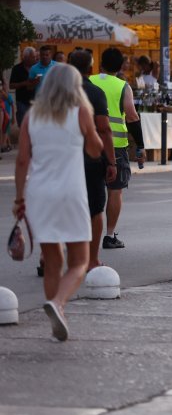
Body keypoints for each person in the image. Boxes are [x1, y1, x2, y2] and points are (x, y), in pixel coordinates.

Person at [13, 64, 104, 341]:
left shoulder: (32, 116)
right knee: (80, 260)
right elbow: (95, 148)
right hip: (71, 193)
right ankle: (59, 304)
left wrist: (19, 198)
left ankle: (57, 319)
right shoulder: (80, 112)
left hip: (39, 194)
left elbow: (21, 160)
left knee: (52, 262)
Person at [90, 48, 146, 249]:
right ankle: (109, 234)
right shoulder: (123, 86)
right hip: (117, 146)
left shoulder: (89, 81)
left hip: (90, 143)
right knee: (115, 191)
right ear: (121, 66)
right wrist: (140, 145)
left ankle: (87, 232)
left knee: (89, 188)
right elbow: (131, 116)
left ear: (101, 64)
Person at [70, 51, 117, 270]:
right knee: (96, 208)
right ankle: (91, 259)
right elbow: (104, 129)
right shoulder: (95, 92)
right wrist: (112, 162)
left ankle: (47, 256)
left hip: (61, 157)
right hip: (90, 157)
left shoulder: (56, 92)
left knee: (63, 207)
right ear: (90, 69)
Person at [9, 47, 37, 125]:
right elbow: (11, 86)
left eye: (35, 56)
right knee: (22, 123)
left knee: (34, 124)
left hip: (36, 101)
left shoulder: (38, 68)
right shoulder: (17, 69)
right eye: (33, 57)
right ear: (26, 58)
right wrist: (24, 83)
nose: (35, 59)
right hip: (22, 102)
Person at [0, 77, 16, 154]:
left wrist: (13, 117)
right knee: (3, 131)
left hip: (7, 116)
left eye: (4, 85)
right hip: (3, 115)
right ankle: (4, 145)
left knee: (5, 131)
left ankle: (4, 146)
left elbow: (12, 105)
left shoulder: (7, 95)